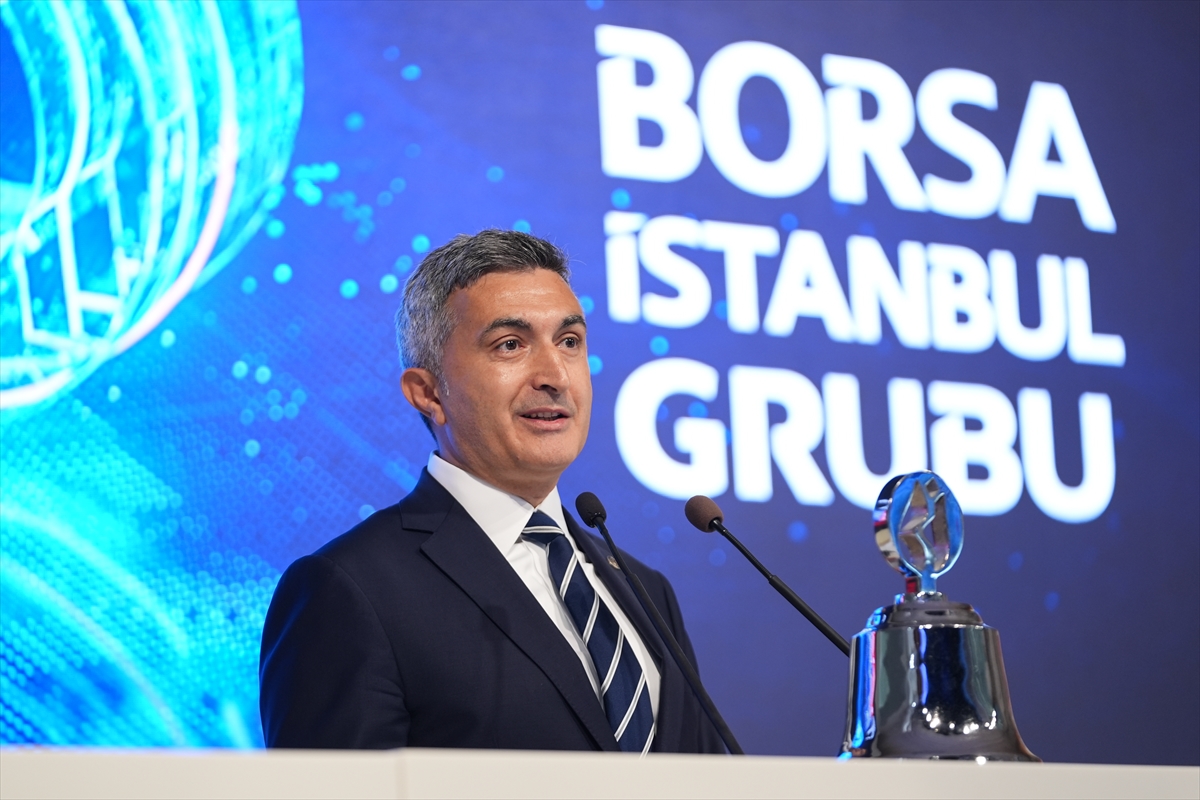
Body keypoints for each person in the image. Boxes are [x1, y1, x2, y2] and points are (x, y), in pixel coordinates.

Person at [259, 229, 723, 753]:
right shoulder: (349, 589)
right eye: (510, 345)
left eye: (569, 342)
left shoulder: (645, 591)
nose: (555, 376)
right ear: (428, 393)